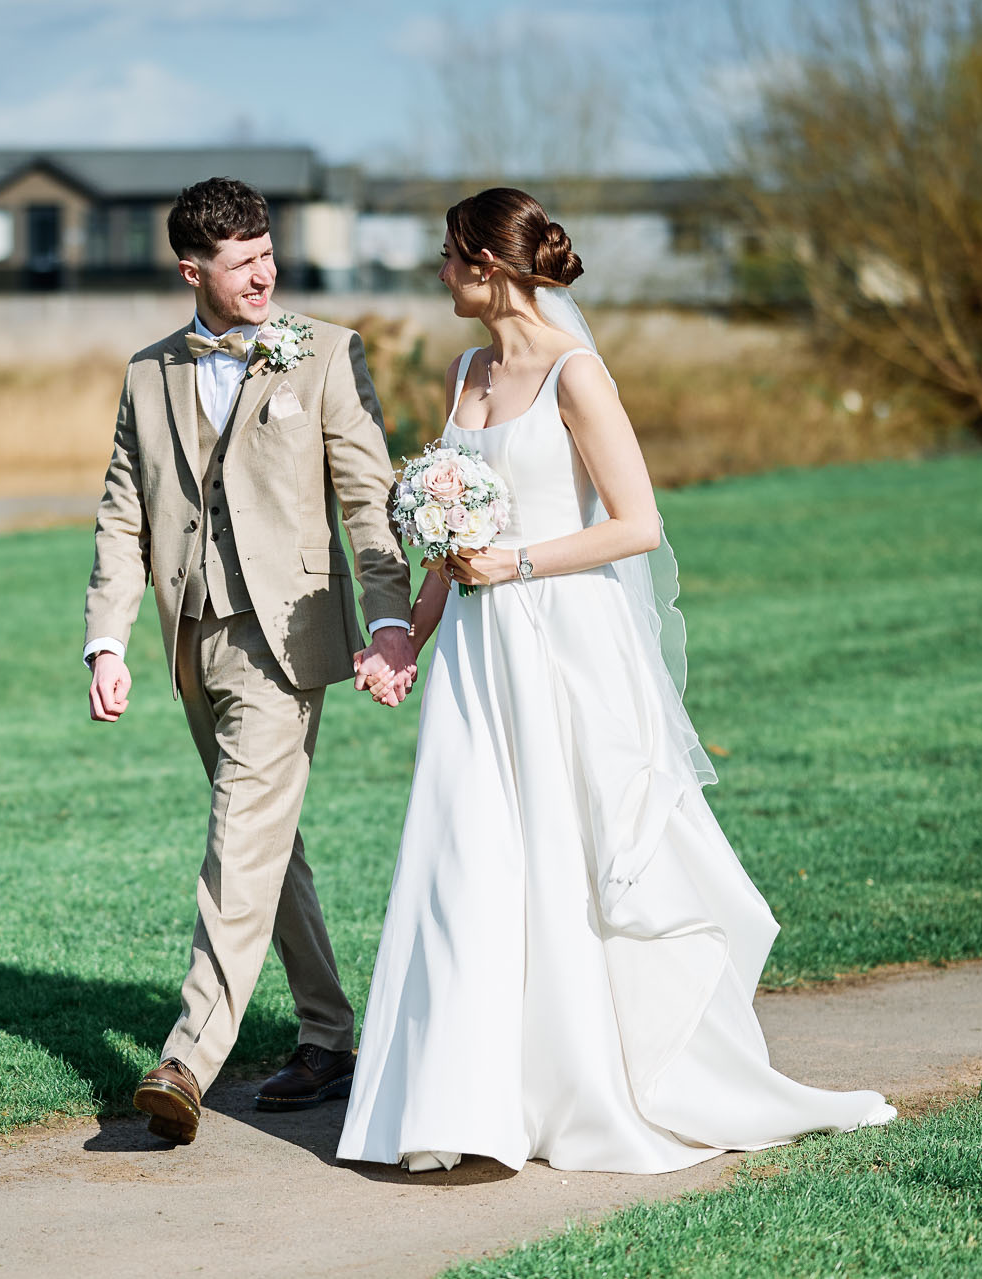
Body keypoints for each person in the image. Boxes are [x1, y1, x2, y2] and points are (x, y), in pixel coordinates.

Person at [337, 187, 895, 1175]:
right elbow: (444, 541)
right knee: (468, 856)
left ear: (487, 267)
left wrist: (513, 564)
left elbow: (635, 524)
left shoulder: (574, 373)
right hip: (475, 655)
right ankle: (466, 1105)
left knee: (566, 848)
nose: (435, 273)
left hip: (560, 639)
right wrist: (405, 641)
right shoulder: (467, 372)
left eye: (446, 257)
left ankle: (586, 1086)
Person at [81, 176, 416, 1146]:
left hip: (287, 638)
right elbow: (121, 513)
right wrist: (108, 638)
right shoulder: (148, 374)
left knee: (238, 842)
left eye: (268, 250)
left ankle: (187, 1058)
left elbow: (367, 496)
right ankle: (326, 1036)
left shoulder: (326, 354)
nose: (264, 270)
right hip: (194, 640)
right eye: (240, 260)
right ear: (192, 270)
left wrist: (387, 619)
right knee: (269, 846)